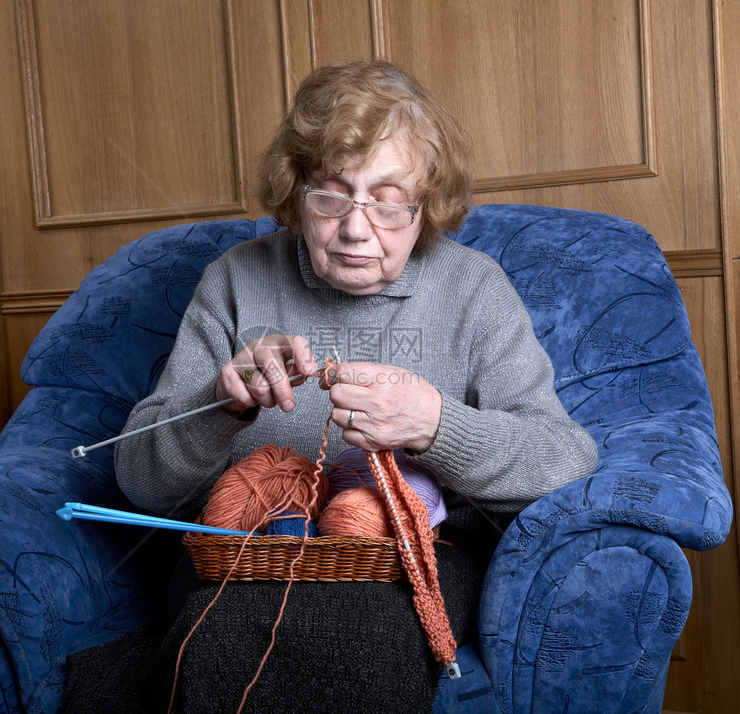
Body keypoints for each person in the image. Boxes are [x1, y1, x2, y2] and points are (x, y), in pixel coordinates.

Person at [64, 59, 598, 713]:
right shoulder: (236, 279)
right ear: (296, 192)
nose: (354, 227)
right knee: (223, 642)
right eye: (331, 195)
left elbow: (565, 460)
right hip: (249, 552)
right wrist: (219, 405)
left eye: (389, 201)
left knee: (362, 636)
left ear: (426, 203)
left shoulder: (474, 287)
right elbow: (140, 482)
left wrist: (437, 426)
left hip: (410, 557)